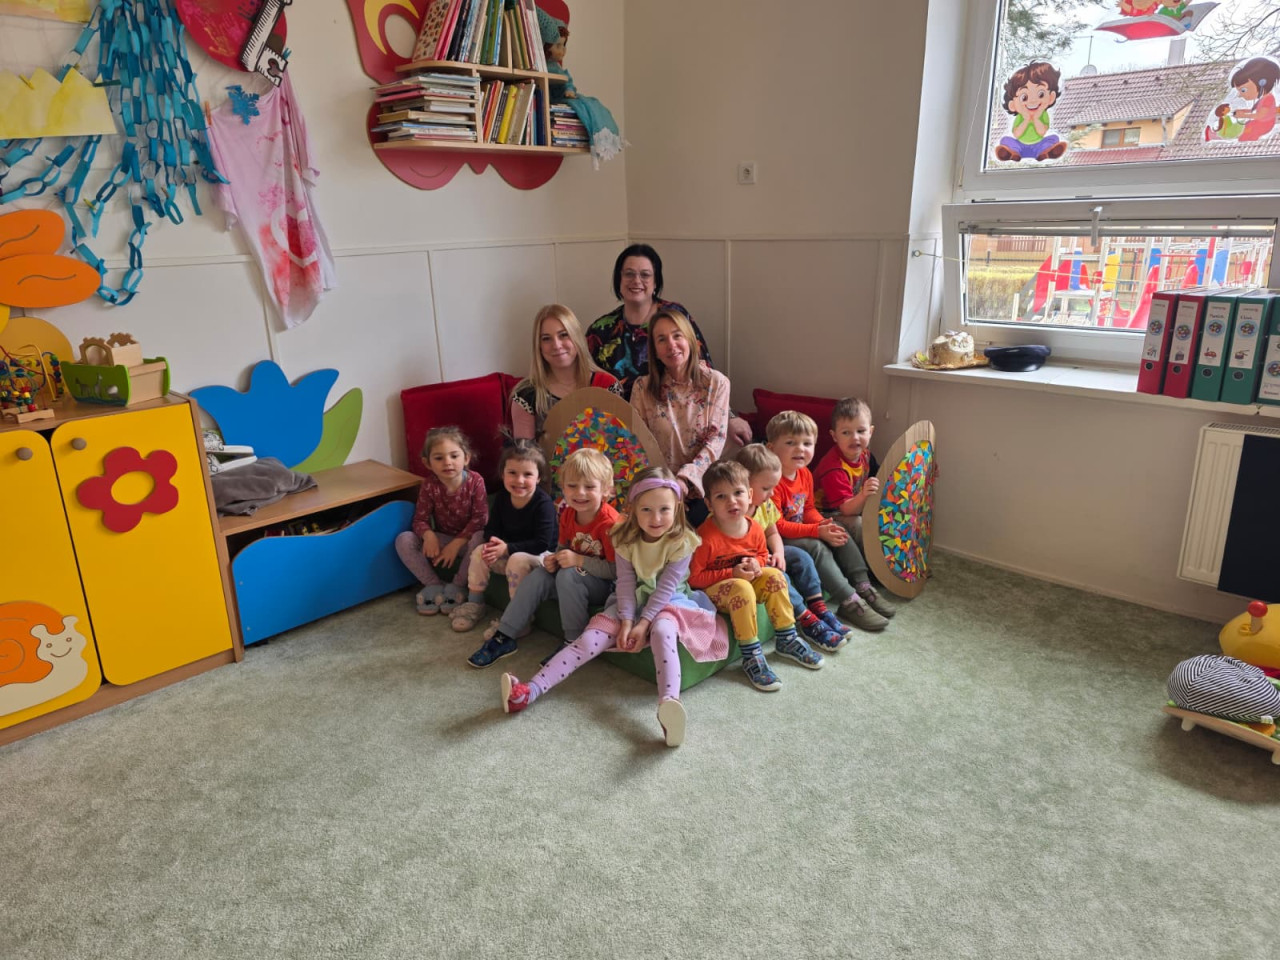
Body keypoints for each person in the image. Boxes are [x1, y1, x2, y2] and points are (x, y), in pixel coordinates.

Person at [500, 467, 726, 747]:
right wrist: (628, 621)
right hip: (629, 599)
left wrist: (644, 623)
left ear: (677, 508)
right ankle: (529, 692)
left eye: (664, 510)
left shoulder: (683, 542)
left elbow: (666, 589)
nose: (655, 518)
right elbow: (625, 582)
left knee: (662, 631)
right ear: (632, 509)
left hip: (670, 603)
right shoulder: (624, 537)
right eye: (646, 510)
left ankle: (669, 706)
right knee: (587, 641)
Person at [466, 448, 619, 668]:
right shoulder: (568, 513)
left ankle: (574, 641)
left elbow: (616, 571)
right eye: (572, 486)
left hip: (602, 586)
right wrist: (554, 559)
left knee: (568, 575)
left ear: (606, 490)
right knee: (539, 575)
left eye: (589, 487)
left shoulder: (610, 524)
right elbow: (562, 548)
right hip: (573, 577)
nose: (580, 493)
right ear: (563, 487)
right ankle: (505, 635)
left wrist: (578, 561)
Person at [586, 243, 752, 445]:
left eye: (645, 275)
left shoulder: (675, 316)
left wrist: (730, 417)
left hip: (680, 425)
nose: (636, 280)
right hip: (618, 429)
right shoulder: (601, 330)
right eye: (629, 274)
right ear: (618, 280)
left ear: (656, 281)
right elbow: (586, 383)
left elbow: (704, 372)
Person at [688, 460, 821, 692]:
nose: (732, 501)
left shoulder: (755, 528)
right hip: (715, 592)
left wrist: (757, 565)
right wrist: (732, 573)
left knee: (775, 575)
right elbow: (694, 578)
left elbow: (761, 555)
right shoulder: (705, 537)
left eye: (738, 493)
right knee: (741, 587)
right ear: (709, 504)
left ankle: (787, 638)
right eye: (721, 496)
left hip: (746, 583)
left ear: (750, 495)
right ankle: (751, 655)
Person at [766, 411, 894, 632]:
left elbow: (808, 509)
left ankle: (862, 584)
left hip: (800, 527)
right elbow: (778, 526)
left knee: (838, 527)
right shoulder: (771, 481)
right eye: (790, 443)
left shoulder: (804, 474)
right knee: (816, 546)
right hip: (777, 539)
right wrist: (817, 531)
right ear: (771, 448)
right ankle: (848, 601)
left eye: (807, 443)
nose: (800, 449)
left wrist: (824, 525)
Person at [737, 443, 850, 652]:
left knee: (801, 557)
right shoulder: (735, 514)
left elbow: (772, 532)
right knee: (780, 577)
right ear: (744, 485)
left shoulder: (765, 505)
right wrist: (761, 561)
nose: (772, 493)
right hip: (750, 564)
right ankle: (806, 619)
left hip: (766, 554)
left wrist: (779, 553)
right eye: (766, 488)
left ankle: (818, 607)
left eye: (773, 487)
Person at [630, 307, 730, 527]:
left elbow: (716, 441)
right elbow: (638, 446)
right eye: (662, 339)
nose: (671, 345)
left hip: (704, 489)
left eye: (677, 336)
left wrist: (684, 480)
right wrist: (664, 487)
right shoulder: (642, 388)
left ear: (691, 341)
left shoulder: (716, 383)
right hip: (657, 490)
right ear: (655, 350)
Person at [450, 440, 558, 634]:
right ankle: (475, 603)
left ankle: (520, 619)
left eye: (527, 474)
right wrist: (495, 544)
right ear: (503, 474)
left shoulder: (544, 504)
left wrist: (507, 548)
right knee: (480, 551)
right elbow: (491, 529)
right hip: (509, 551)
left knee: (517, 560)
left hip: (541, 559)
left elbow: (542, 544)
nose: (519, 480)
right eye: (512, 473)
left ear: (539, 477)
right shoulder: (502, 498)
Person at [395, 426, 488, 615]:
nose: (447, 462)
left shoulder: (475, 481)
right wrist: (428, 535)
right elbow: (419, 519)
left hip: (468, 543)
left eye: (454, 456)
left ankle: (458, 585)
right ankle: (433, 585)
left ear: (466, 458)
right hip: (442, 539)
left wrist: (456, 544)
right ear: (427, 463)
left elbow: (480, 518)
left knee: (480, 537)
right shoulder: (429, 485)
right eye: (439, 458)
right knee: (404, 539)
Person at [510, 304, 621, 442]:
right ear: (538, 346)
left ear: (577, 338)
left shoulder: (607, 386)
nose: (556, 345)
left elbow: (618, 445)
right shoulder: (526, 396)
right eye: (546, 338)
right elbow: (525, 454)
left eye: (563, 335)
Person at [814, 396, 881, 541]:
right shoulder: (833, 468)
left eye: (861, 431)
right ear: (834, 436)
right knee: (859, 524)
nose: (855, 438)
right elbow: (847, 510)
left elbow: (883, 477)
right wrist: (864, 495)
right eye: (846, 432)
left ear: (870, 432)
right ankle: (870, 555)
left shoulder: (866, 455)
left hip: (851, 506)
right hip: (824, 514)